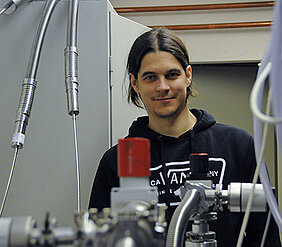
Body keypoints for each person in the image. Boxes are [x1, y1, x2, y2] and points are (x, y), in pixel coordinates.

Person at [89, 28, 280, 246]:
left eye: (172, 75)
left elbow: (266, 236)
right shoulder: (118, 161)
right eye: (150, 77)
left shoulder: (238, 146)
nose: (163, 87)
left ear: (188, 75)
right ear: (135, 83)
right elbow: (100, 239)